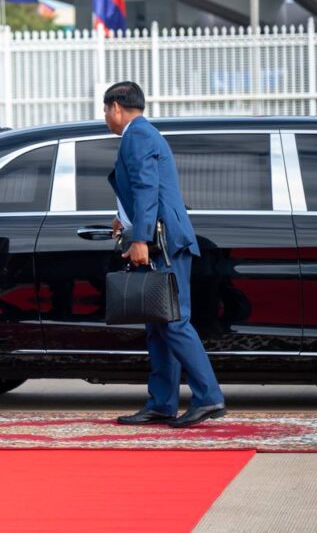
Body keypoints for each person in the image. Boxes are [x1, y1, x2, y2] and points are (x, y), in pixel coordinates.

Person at [105, 81, 227, 428]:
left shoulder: (137, 136)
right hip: (163, 239)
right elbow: (144, 189)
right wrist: (125, 220)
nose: (106, 117)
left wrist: (141, 238)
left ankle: (209, 397)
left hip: (163, 244)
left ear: (116, 107)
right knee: (159, 323)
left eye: (106, 110)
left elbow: (147, 187)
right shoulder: (142, 134)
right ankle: (161, 403)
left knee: (173, 322)